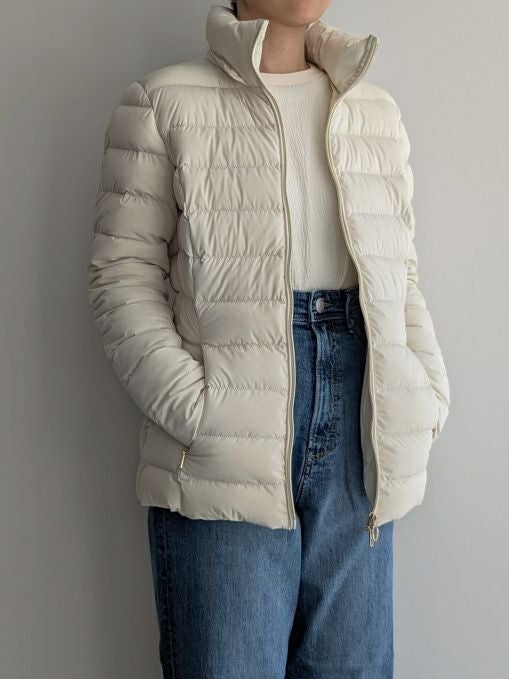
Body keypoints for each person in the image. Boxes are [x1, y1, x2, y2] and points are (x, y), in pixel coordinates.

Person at [88, 1, 451, 676]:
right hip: (225, 445)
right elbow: (121, 278)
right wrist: (201, 412)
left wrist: (424, 394)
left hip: (364, 436)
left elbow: (399, 276)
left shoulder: (372, 110)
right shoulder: (164, 101)